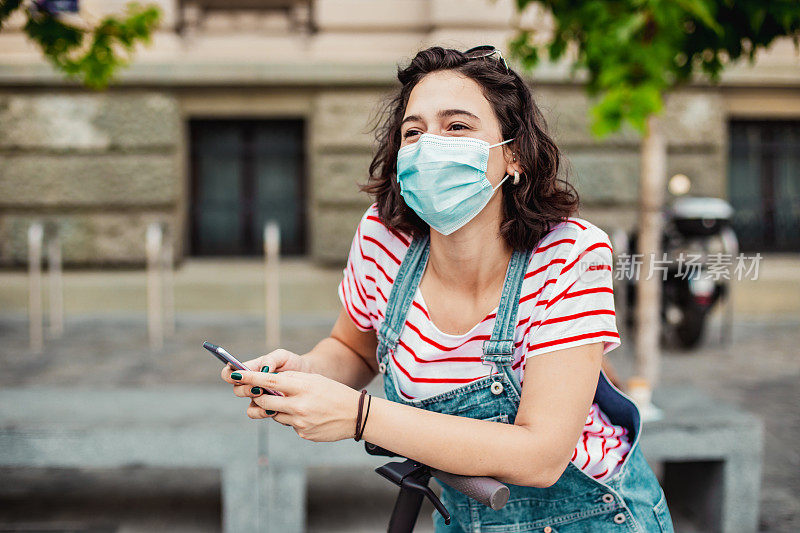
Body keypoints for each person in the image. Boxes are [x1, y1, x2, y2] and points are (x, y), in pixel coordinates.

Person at [222, 45, 674, 532]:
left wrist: (358, 416)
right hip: (465, 518)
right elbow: (353, 349)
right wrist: (304, 370)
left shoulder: (570, 253)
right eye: (413, 132)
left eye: (457, 126)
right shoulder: (384, 237)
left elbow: (541, 456)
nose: (429, 146)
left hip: (588, 519)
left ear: (514, 155)